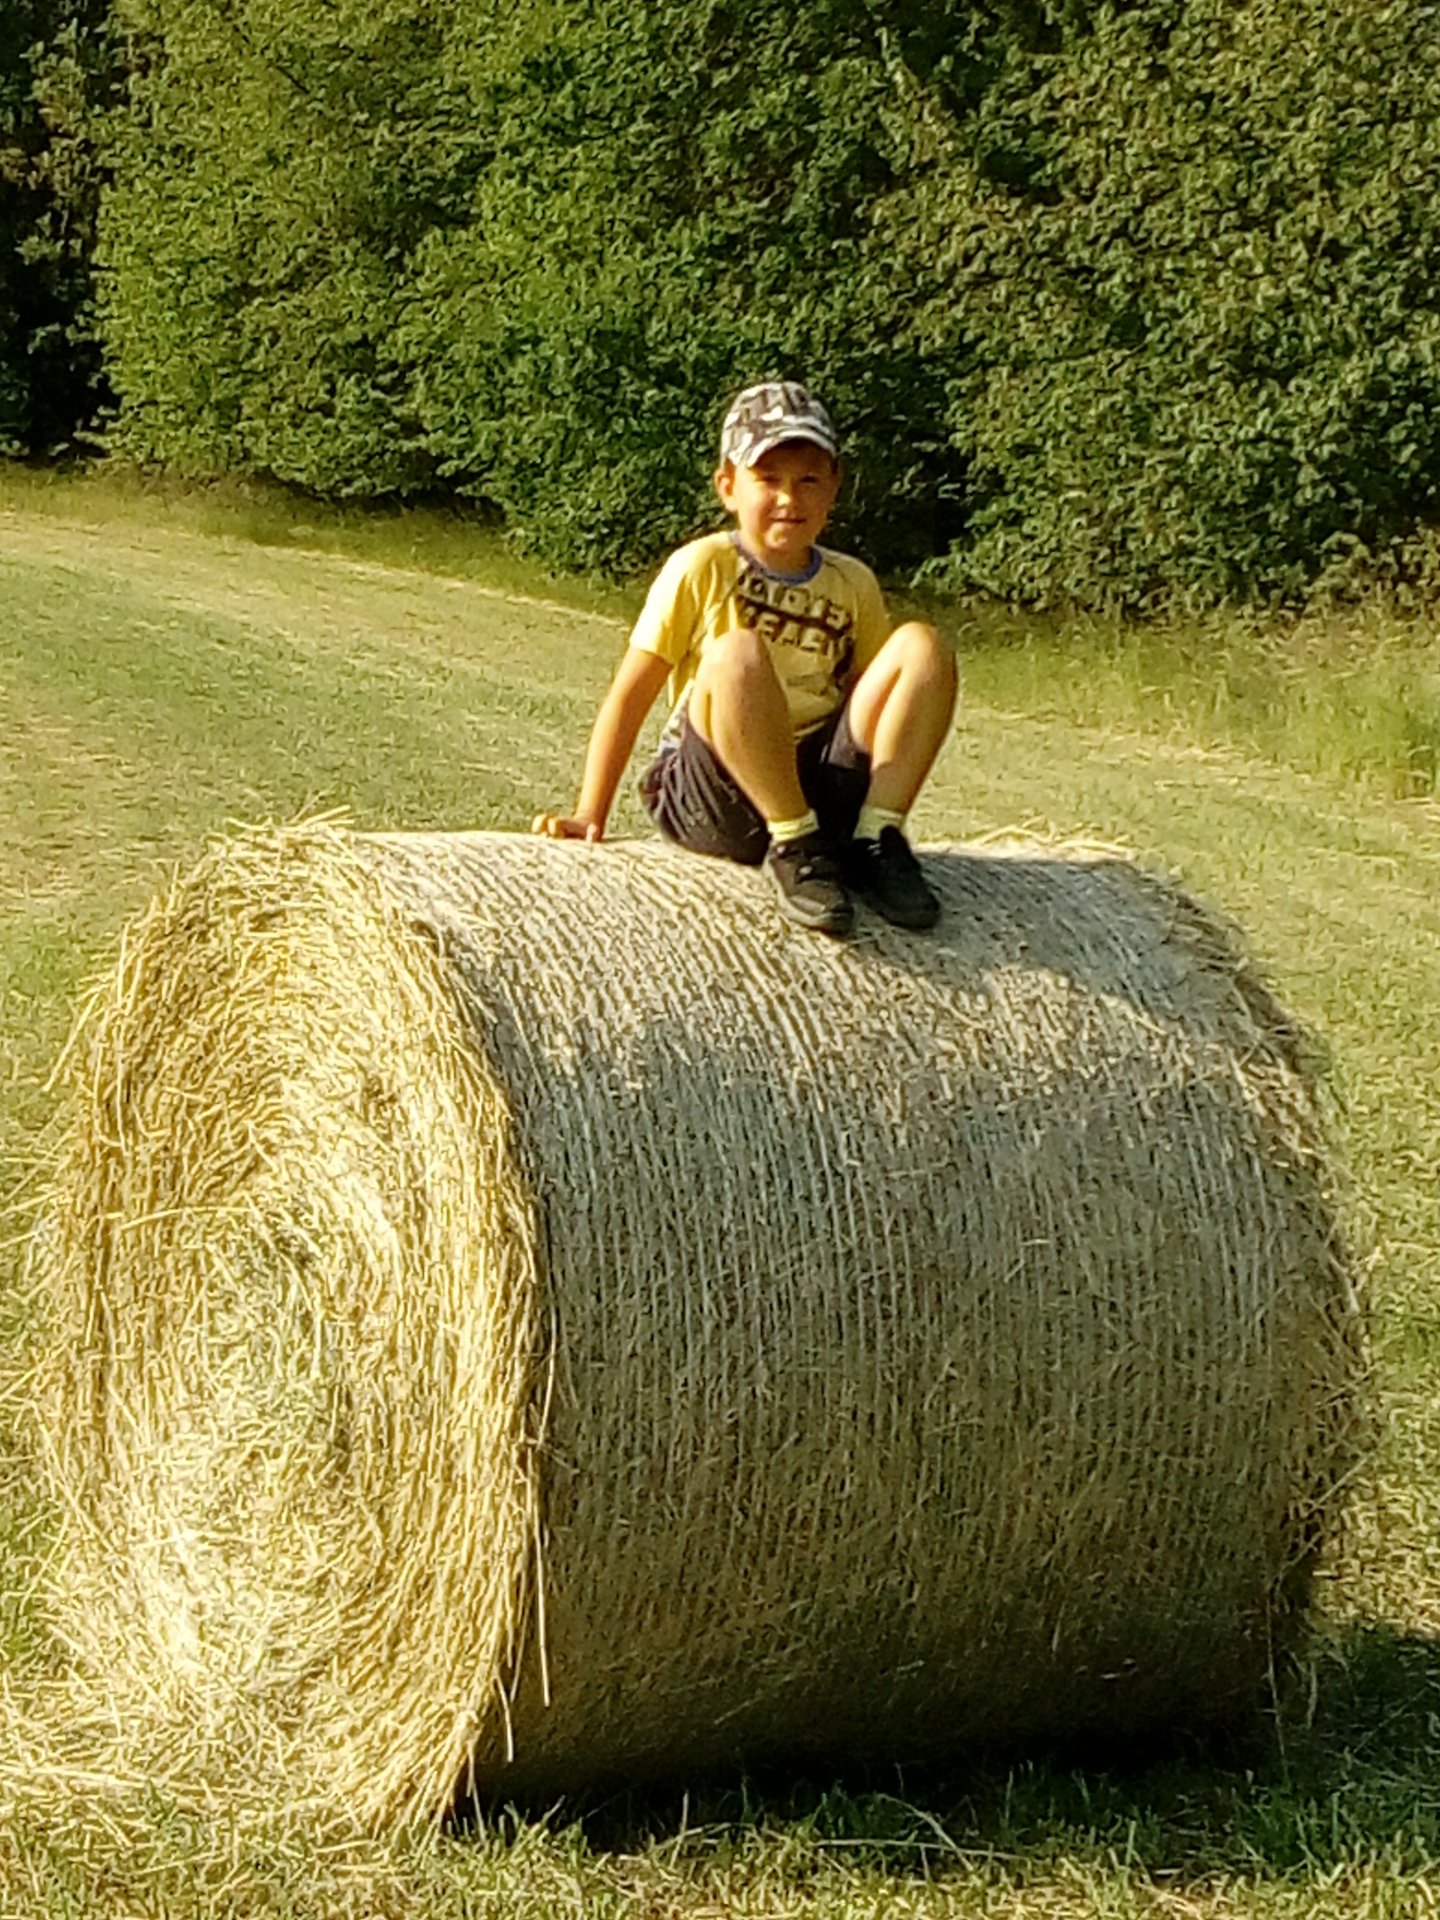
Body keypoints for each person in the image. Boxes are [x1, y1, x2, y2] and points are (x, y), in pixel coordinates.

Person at [532, 379, 958, 936]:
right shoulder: (701, 566)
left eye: (809, 480)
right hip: (716, 790)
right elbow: (630, 696)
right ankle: (794, 843)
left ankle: (875, 840)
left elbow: (875, 705)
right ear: (728, 487)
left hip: (815, 784)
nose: (789, 498)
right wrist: (591, 811)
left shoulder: (852, 582)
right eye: (769, 479)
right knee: (737, 651)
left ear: (834, 487)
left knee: (923, 647)